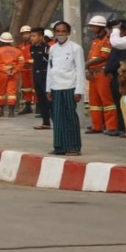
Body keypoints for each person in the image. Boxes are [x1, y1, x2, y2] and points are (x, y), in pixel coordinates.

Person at [46, 21, 85, 156]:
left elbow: (80, 70)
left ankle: (73, 146)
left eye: (63, 31)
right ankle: (59, 146)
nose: (61, 34)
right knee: (57, 117)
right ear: (55, 33)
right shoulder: (52, 49)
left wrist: (79, 90)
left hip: (70, 86)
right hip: (56, 87)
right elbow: (50, 69)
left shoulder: (76, 48)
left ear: (68, 33)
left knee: (70, 117)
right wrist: (48, 88)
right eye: (58, 31)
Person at [84, 15, 119, 136]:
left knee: (107, 100)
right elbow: (90, 57)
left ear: (101, 27)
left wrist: (86, 64)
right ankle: (97, 126)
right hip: (93, 74)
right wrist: (88, 69)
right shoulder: (95, 41)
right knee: (94, 101)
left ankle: (112, 126)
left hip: (102, 73)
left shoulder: (107, 40)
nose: (92, 28)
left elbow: (103, 56)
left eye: (94, 26)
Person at [105, 18, 126, 136]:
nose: (111, 33)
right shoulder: (116, 45)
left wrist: (110, 69)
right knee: (118, 103)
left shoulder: (125, 44)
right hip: (115, 77)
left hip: (122, 77)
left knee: (124, 103)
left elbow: (118, 62)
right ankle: (121, 126)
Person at [0, 31, 25, 117]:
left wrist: (4, 71)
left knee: (0, 93)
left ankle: (1, 110)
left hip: (1, 74)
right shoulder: (18, 51)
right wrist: (14, 71)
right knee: (12, 93)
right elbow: (21, 63)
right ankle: (11, 112)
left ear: (1, 41)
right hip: (13, 73)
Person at [29, 27, 52, 130]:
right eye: (31, 36)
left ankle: (57, 122)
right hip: (36, 75)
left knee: (50, 100)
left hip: (45, 76)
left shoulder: (46, 48)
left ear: (41, 37)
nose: (31, 38)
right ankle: (45, 122)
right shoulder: (32, 48)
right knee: (41, 100)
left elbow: (50, 63)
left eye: (34, 36)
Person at [18, 25, 35, 114]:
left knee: (35, 87)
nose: (25, 36)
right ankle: (28, 106)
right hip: (24, 69)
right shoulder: (21, 46)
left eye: (27, 33)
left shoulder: (35, 45)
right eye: (23, 34)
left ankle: (39, 106)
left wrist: (29, 62)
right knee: (26, 89)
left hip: (33, 68)